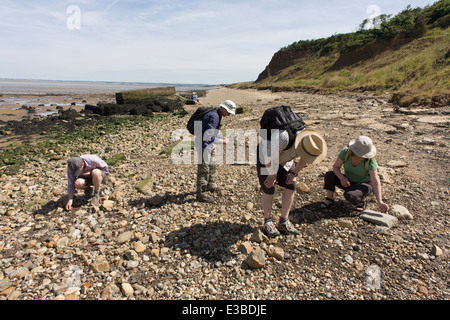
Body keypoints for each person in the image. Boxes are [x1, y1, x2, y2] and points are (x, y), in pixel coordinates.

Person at [257, 128, 327, 237]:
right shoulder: (283, 138)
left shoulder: (310, 143)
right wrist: (272, 175)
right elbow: (269, 156)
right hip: (266, 155)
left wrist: (294, 173)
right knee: (269, 187)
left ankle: (284, 221)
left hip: (285, 158)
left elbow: (305, 157)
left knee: (291, 184)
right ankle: (268, 222)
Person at [321, 136, 389, 212]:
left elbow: (375, 181)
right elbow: (336, 167)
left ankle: (361, 201)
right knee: (329, 175)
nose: (365, 157)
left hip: (364, 184)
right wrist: (341, 178)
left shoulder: (370, 161)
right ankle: (329, 199)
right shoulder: (346, 152)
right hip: (348, 181)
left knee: (350, 195)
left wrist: (380, 201)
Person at [195, 100, 236, 203]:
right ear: (224, 109)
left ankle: (210, 185)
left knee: (211, 165)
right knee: (204, 169)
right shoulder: (214, 116)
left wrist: (222, 137)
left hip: (206, 145)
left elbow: (212, 132)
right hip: (203, 145)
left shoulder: (216, 114)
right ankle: (201, 194)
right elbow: (208, 136)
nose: (229, 115)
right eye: (229, 112)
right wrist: (222, 141)